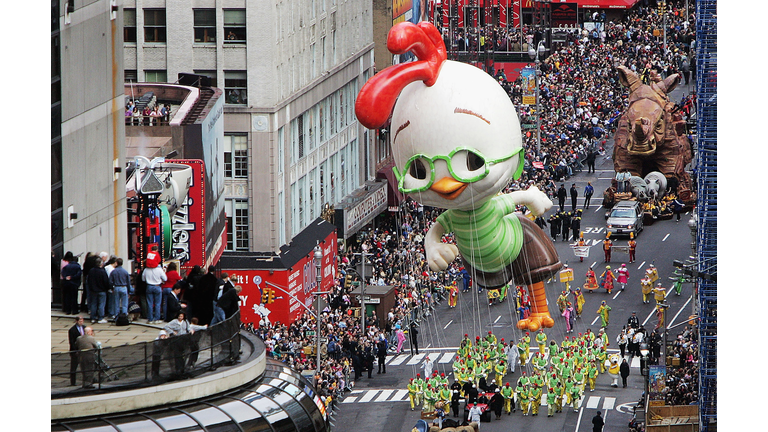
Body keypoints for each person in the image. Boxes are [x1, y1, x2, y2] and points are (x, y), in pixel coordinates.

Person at [87, 256, 111, 323]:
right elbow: (106, 281)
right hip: (102, 290)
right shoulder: (102, 271)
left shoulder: (91, 271)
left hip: (93, 290)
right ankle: (100, 318)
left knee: (93, 304)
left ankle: (93, 318)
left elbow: (89, 280)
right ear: (101, 264)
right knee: (101, 304)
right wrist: (107, 288)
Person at [68, 316, 86, 386]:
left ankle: (86, 381)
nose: (81, 322)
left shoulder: (84, 328)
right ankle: (73, 382)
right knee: (73, 367)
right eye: (80, 321)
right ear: (76, 321)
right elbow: (71, 342)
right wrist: (76, 350)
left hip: (83, 350)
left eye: (82, 321)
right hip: (75, 351)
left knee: (85, 367)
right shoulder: (72, 330)